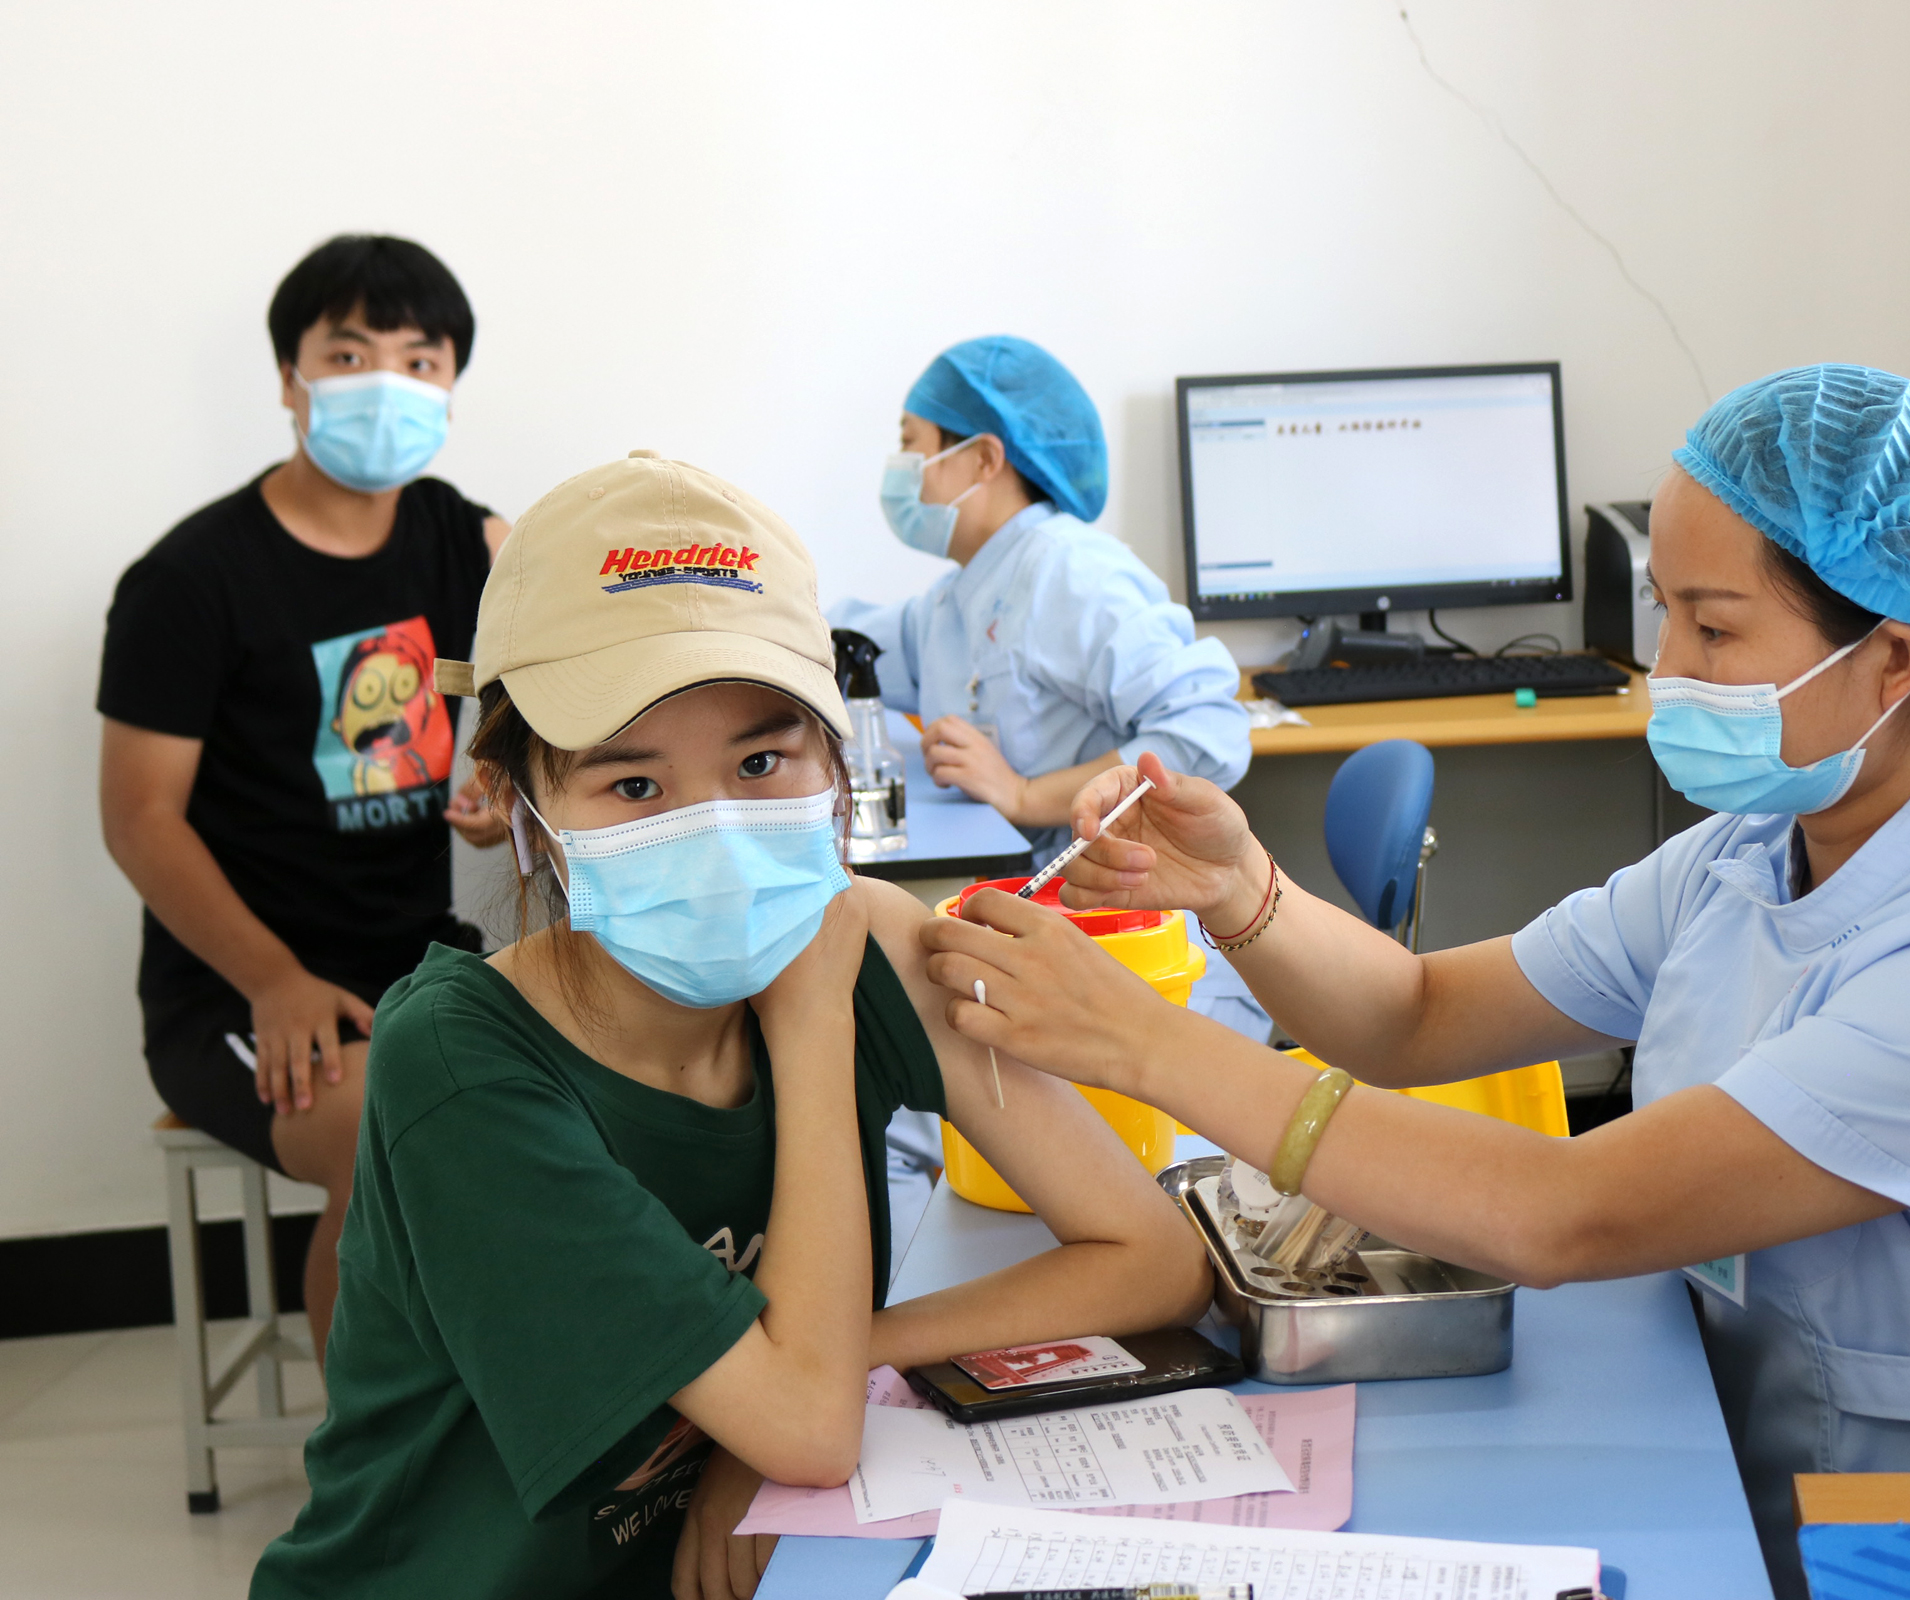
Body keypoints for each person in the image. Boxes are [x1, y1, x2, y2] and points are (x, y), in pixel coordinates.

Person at [921, 366, 1910, 1598]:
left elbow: (1564, 1213)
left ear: (1894, 660)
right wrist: (1241, 890)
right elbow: (1417, 1016)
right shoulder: (1750, 854)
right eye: (1666, 612)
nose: (1667, 667)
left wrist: (1147, 1044)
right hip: (1750, 1446)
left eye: (1714, 627)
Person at [249, 450, 1210, 1600]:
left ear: (835, 761)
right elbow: (808, 1428)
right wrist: (809, 1037)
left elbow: (1156, 1259)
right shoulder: (461, 1065)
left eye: (761, 760)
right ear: (522, 809)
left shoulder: (866, 938)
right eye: (634, 787)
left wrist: (820, 1367)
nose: (716, 828)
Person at [98, 235, 512, 1361]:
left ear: (451, 386)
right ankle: (369, 1458)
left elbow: (541, 699)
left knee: (602, 1089)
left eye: (420, 361)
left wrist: (501, 785)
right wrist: (271, 978)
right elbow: (138, 818)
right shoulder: (189, 580)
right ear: (291, 379)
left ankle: (517, 1415)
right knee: (397, 1141)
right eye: (349, 352)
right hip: (237, 990)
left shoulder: (465, 539)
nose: (387, 383)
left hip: (420, 959)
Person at [827, 336, 1265, 1219]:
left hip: (1141, 951)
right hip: (1044, 926)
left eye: (913, 446)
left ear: (983, 457)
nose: (902, 472)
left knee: (900, 1117)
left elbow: (1207, 731)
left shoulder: (1071, 570)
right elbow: (852, 642)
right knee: (892, 1103)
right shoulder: (960, 595)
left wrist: (1027, 795)